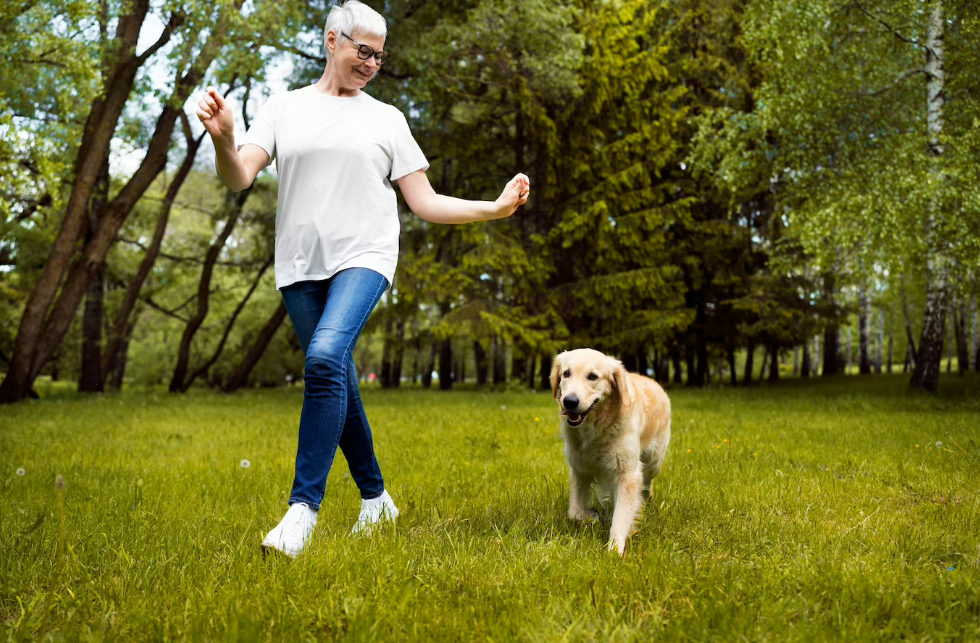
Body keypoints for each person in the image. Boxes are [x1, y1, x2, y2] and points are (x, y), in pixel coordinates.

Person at [195, 0, 530, 557]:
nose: (372, 62)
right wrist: (224, 139)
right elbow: (239, 177)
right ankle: (377, 501)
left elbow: (423, 202)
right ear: (332, 40)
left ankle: (302, 512)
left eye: (380, 55)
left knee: (325, 358)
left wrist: (492, 210)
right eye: (362, 50)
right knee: (339, 378)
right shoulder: (285, 107)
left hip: (366, 256)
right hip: (300, 264)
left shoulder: (386, 119)